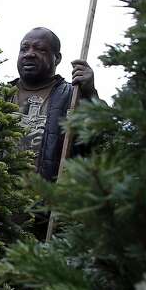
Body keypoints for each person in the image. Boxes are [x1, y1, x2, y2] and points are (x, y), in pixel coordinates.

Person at [10, 27, 97, 181]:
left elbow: (103, 135)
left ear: (57, 58)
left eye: (40, 49)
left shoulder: (73, 96)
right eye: (24, 49)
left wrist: (90, 94)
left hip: (45, 199)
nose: (29, 54)